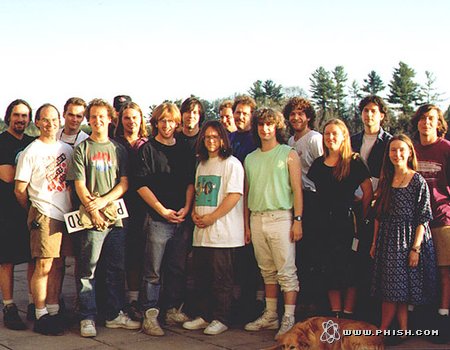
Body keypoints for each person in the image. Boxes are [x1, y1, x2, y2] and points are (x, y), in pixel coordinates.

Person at [68, 98, 140, 337]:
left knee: (115, 268)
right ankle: (87, 316)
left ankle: (114, 314)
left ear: (110, 119)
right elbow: (79, 184)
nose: (98, 120)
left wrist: (104, 201)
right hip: (91, 219)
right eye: (94, 116)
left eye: (102, 116)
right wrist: (93, 209)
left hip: (115, 219)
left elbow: (124, 183)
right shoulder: (83, 149)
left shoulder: (118, 149)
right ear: (89, 119)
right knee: (88, 269)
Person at [370, 134, 437, 345]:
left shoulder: (417, 180)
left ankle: (381, 331)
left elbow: (423, 217)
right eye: (393, 150)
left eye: (401, 150)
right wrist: (374, 243)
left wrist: (415, 249)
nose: (397, 154)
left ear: (409, 153)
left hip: (408, 240)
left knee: (395, 288)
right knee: (394, 288)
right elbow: (378, 216)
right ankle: (403, 330)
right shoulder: (386, 180)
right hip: (387, 239)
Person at [136, 102, 195, 336]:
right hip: (158, 219)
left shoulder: (183, 149)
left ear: (177, 123)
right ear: (156, 122)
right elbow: (141, 185)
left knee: (177, 268)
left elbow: (190, 182)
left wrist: (186, 209)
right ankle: (150, 314)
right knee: (153, 271)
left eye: (171, 121)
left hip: (181, 218)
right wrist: (161, 210)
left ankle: (171, 309)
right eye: (163, 120)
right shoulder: (147, 149)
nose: (167, 125)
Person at [243, 108, 303, 339]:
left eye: (269, 124)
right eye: (261, 125)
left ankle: (289, 317)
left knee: (286, 271)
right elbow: (247, 193)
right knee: (267, 271)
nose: (265, 129)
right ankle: (270, 315)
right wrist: (247, 225)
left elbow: (297, 190)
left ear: (276, 126)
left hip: (282, 217)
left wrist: (297, 220)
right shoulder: (250, 158)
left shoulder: (288, 154)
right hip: (257, 218)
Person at [15, 103, 73, 335]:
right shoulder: (31, 151)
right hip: (44, 212)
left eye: (54, 119)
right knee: (43, 265)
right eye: (45, 120)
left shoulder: (66, 149)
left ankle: (54, 308)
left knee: (59, 264)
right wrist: (34, 210)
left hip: (65, 214)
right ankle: (40, 313)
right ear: (37, 122)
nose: (50, 124)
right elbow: (20, 189)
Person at [182, 120, 244, 335]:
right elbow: (199, 194)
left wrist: (212, 218)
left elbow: (234, 195)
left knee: (221, 279)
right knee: (202, 277)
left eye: (215, 137)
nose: (211, 141)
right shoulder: (202, 164)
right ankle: (204, 315)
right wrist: (195, 214)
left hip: (223, 233)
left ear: (223, 139)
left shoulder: (232, 164)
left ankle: (221, 317)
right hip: (202, 233)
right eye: (207, 137)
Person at [307, 119, 373, 319]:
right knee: (329, 268)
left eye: (335, 133)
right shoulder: (318, 164)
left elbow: (367, 192)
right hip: (324, 224)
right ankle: (336, 313)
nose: (330, 138)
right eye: (327, 134)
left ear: (344, 136)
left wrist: (361, 217)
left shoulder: (354, 161)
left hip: (347, 224)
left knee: (349, 269)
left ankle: (348, 314)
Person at [350, 95, 392, 323]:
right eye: (365, 110)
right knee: (355, 257)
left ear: (382, 115)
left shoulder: (389, 142)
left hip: (378, 204)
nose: (369, 115)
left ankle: (374, 314)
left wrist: (374, 195)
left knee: (373, 255)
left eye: (374, 111)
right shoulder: (353, 140)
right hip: (353, 203)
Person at [411, 104, 450, 343]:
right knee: (417, 269)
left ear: (439, 123)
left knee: (445, 270)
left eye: (431, 119)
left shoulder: (446, 148)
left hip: (442, 217)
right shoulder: (411, 150)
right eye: (423, 118)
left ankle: (444, 316)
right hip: (415, 222)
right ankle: (417, 318)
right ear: (417, 123)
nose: (426, 123)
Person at [283, 97, 323, 310]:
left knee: (313, 253)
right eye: (292, 114)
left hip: (315, 199)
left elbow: (327, 169)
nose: (296, 117)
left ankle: (315, 304)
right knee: (299, 255)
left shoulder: (315, 139)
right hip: (296, 199)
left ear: (308, 117)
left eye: (301, 113)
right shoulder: (290, 142)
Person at [0, 99, 34, 330]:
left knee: (34, 257)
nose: (20, 119)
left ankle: (34, 302)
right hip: (8, 210)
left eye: (24, 116)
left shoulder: (33, 143)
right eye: (16, 115)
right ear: (8, 117)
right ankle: (9, 306)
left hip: (31, 208)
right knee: (7, 260)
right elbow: (9, 178)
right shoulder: (2, 141)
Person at [114, 101, 148, 322]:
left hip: (142, 206)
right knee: (117, 256)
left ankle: (134, 299)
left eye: (135, 117)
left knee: (137, 255)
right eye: (127, 118)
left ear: (141, 120)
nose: (131, 121)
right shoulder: (114, 144)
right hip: (117, 204)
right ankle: (116, 302)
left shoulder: (147, 145)